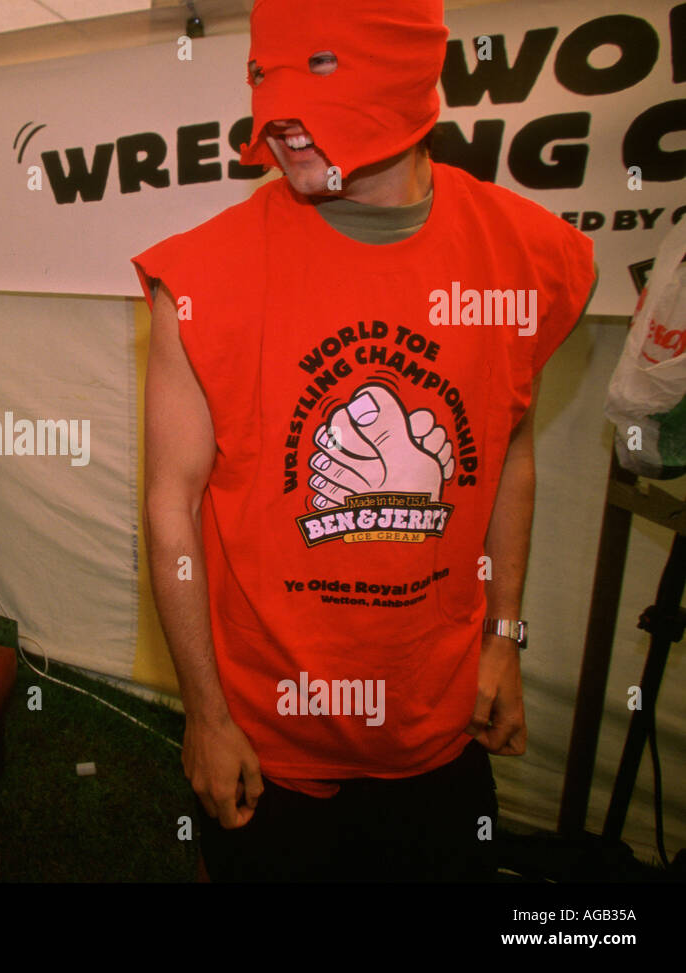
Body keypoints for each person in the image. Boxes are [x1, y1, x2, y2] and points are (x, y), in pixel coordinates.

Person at [136, 0, 596, 881]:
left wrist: (505, 634)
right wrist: (204, 711)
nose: (280, 119)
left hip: (437, 725)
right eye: (264, 80)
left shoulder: (524, 257)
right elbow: (171, 508)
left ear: (406, 71)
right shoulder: (199, 279)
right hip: (268, 736)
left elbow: (509, 457)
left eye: (317, 76)